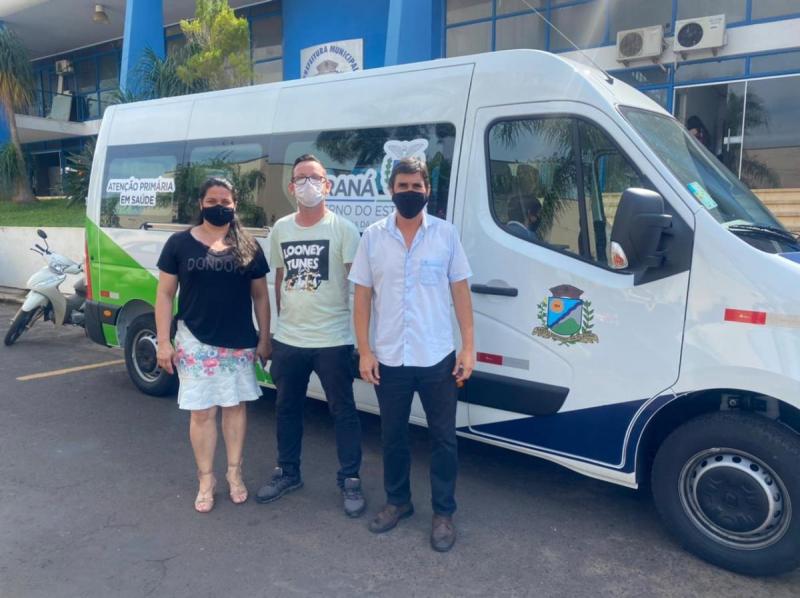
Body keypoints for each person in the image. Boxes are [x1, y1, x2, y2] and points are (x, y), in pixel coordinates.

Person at [349, 157, 475, 552]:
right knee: (393, 437)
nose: (409, 192)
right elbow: (362, 297)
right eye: (402, 186)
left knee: (443, 439)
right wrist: (365, 350)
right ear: (391, 190)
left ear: (427, 190)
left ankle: (443, 513)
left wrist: (468, 347)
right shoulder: (373, 237)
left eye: (416, 186)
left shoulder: (445, 235)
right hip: (390, 358)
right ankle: (398, 501)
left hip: (437, 357)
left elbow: (460, 292)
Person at [255, 154, 365, 518]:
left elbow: (359, 286)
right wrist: (275, 331)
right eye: (300, 178)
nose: (308, 185)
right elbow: (279, 280)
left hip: (333, 340)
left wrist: (361, 340)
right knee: (287, 409)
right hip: (290, 340)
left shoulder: (343, 230)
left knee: (343, 412)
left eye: (315, 178)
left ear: (327, 185)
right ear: (291, 188)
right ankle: (288, 472)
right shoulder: (281, 229)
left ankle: (350, 479)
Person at [155, 177, 271, 513]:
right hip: (195, 341)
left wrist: (265, 338)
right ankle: (206, 479)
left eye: (225, 202)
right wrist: (163, 341)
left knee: (234, 408)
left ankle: (234, 472)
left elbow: (261, 296)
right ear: (200, 204)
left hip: (238, 342)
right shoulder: (179, 244)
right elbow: (164, 295)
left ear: (235, 205)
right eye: (212, 201)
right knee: (202, 412)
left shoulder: (248, 244)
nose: (219, 207)